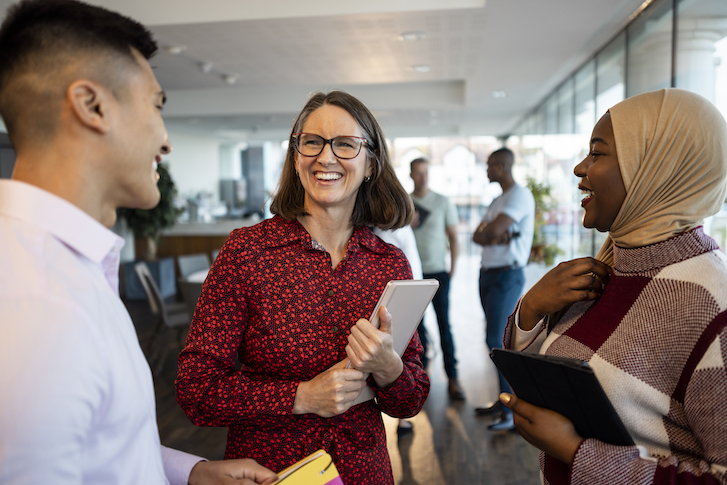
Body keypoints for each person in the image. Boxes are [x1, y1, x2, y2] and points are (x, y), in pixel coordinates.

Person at [0, 1, 278, 484]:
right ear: (92, 106)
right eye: (156, 104)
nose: (166, 141)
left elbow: (104, 447)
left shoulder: (67, 271)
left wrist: (192, 472)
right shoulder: (37, 304)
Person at [175, 91, 430, 485]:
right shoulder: (248, 252)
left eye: (345, 144)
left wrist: (389, 369)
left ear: (369, 165)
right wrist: (301, 397)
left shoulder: (390, 264)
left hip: (365, 471)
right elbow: (197, 390)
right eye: (312, 142)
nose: (325, 158)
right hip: (272, 472)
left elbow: (411, 400)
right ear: (296, 156)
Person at [497, 88, 727, 484]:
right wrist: (531, 308)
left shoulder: (709, 306)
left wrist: (575, 452)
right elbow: (553, 375)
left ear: (654, 168)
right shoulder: (609, 266)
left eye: (598, 153)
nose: (579, 168)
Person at [472, 148, 534, 431]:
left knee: (498, 339)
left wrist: (491, 234)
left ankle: (513, 411)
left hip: (506, 275)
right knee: (494, 339)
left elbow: (492, 232)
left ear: (501, 166)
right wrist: (490, 233)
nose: (486, 170)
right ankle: (503, 399)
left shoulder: (519, 195)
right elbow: (478, 235)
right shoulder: (498, 200)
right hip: (487, 275)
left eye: (488, 165)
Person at [410, 157, 465, 400]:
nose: (423, 177)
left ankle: (453, 378)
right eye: (418, 173)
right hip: (412, 275)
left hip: (438, 272)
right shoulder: (405, 203)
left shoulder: (442, 202)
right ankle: (420, 380)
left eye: (426, 173)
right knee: (416, 329)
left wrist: (452, 268)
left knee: (445, 325)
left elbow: (453, 236)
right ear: (411, 175)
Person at [372, 224, 423, 438]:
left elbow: (412, 271)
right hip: (390, 297)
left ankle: (403, 422)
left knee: (400, 353)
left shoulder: (396, 234)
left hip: (403, 296)